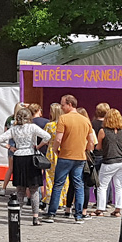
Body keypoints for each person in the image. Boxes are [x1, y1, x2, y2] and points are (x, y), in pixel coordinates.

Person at [42, 95, 97, 224]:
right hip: (80, 157)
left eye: (63, 105)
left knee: (58, 185)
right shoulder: (85, 120)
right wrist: (86, 151)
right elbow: (90, 141)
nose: (61, 107)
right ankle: (78, 215)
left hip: (65, 156)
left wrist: (56, 150)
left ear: (70, 104)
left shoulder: (63, 119)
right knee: (78, 185)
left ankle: (51, 214)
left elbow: (58, 138)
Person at [0, 106, 51, 225]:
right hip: (30, 156)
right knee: (34, 189)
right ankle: (35, 217)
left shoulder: (14, 129)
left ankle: (17, 215)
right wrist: (38, 146)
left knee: (20, 189)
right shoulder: (32, 127)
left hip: (19, 156)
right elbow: (47, 136)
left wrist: (10, 147)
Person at [97, 109, 122, 217]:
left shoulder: (103, 131)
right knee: (119, 186)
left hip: (108, 162)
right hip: (121, 162)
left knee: (102, 186)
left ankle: (100, 209)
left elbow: (99, 147)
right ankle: (118, 209)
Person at [2, 103, 26, 197]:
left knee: (11, 168)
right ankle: (18, 190)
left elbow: (5, 132)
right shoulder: (24, 120)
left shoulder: (9, 119)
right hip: (20, 146)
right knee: (20, 169)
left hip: (11, 145)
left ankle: (3, 188)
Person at [41, 103, 62, 211]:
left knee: (49, 177)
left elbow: (45, 139)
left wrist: (38, 146)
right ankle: (62, 200)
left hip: (51, 152)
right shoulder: (63, 124)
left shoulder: (50, 125)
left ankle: (50, 200)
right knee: (63, 178)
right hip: (62, 152)